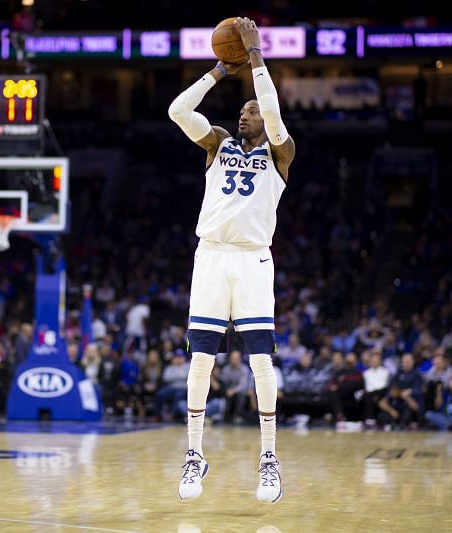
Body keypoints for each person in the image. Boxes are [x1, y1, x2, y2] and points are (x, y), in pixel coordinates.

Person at [168, 17, 295, 503]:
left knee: (261, 360)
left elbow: (274, 114)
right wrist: (220, 70)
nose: (245, 115)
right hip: (210, 258)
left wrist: (257, 55)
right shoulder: (217, 142)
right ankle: (194, 455)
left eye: (252, 110)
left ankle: (268, 458)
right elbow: (179, 110)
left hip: (252, 261)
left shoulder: (281, 152)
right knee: (200, 359)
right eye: (242, 110)